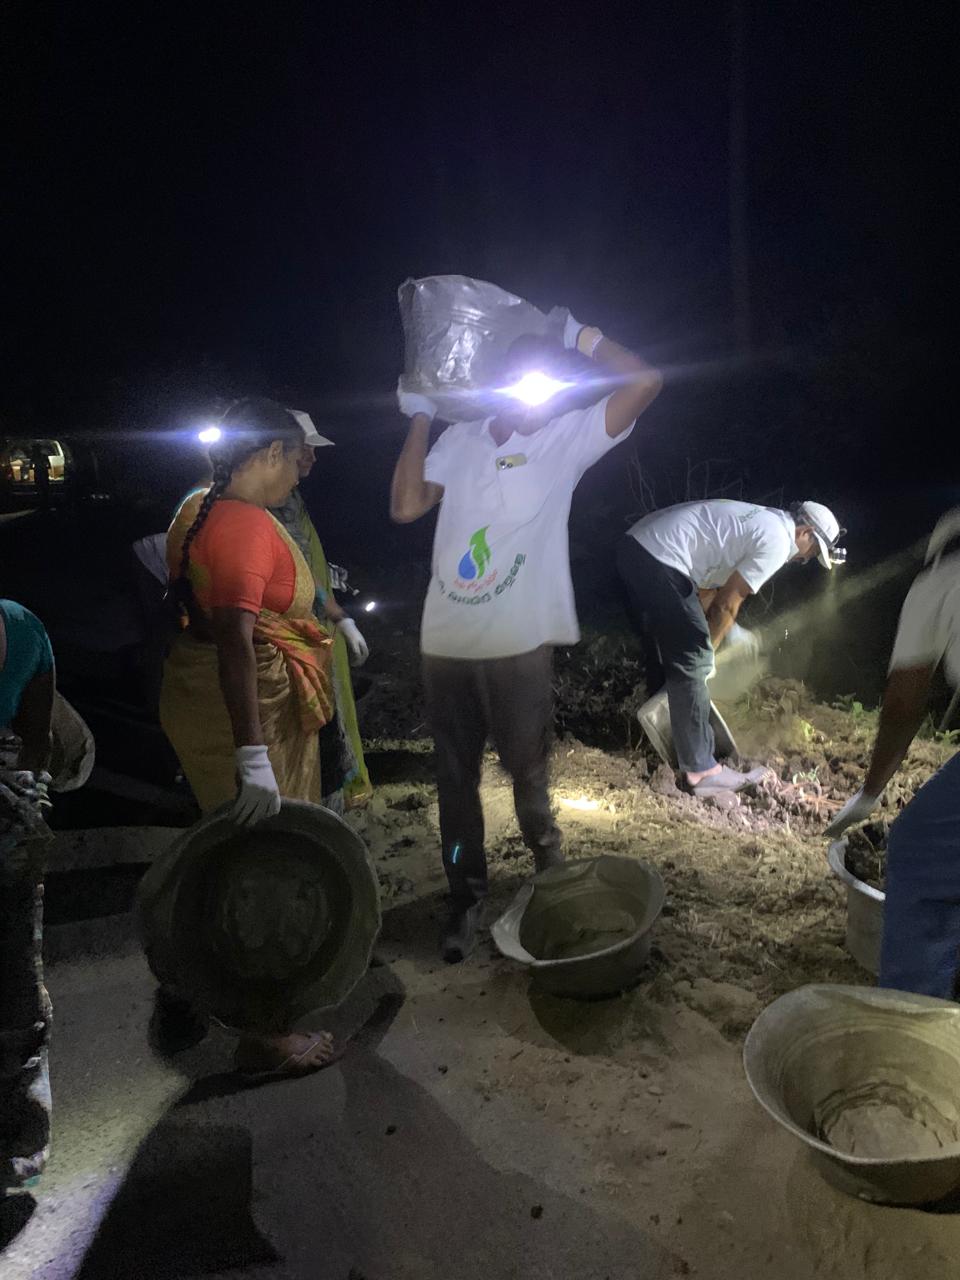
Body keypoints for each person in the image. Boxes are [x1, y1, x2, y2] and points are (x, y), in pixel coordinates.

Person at [391, 310, 663, 961]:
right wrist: (421, 416)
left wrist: (580, 336)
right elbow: (405, 506)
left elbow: (646, 381)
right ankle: (465, 897)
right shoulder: (460, 438)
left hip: (519, 641)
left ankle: (550, 875)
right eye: (518, 381)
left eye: (545, 381)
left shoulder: (569, 437)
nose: (532, 394)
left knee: (527, 772)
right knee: (455, 779)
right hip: (449, 639)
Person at [158, 396, 340, 1078]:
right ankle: (264, 1030)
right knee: (266, 866)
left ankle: (219, 993)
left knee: (234, 853)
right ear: (269, 454)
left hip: (208, 693)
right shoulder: (241, 524)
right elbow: (236, 641)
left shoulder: (201, 507)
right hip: (245, 706)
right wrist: (254, 756)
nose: (299, 474)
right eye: (294, 460)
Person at [618, 498, 845, 797]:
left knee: (676, 649)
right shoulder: (778, 541)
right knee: (695, 659)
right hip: (660, 556)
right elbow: (726, 605)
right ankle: (702, 772)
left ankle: (655, 739)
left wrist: (728, 633)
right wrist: (708, 653)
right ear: (805, 532)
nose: (803, 560)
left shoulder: (762, 521)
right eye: (811, 553)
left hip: (638, 547)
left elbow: (703, 591)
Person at [826, 509, 960, 998]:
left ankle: (912, 1014)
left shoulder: (941, 580)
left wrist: (870, 792)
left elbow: (904, 703)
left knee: (920, 849)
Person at [269, 413, 373, 812]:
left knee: (331, 716)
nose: (313, 458)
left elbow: (307, 565)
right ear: (278, 451)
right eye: (305, 449)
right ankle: (318, 807)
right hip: (295, 636)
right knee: (313, 725)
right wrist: (336, 615)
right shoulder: (268, 506)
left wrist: (340, 616)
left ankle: (331, 796)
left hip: (317, 628)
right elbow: (292, 572)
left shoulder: (291, 498)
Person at [1, 599, 55, 1192]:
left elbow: (39, 741)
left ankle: (19, 1135)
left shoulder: (22, 628)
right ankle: (18, 1136)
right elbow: (37, 741)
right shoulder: (20, 626)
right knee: (14, 982)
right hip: (8, 820)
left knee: (15, 985)